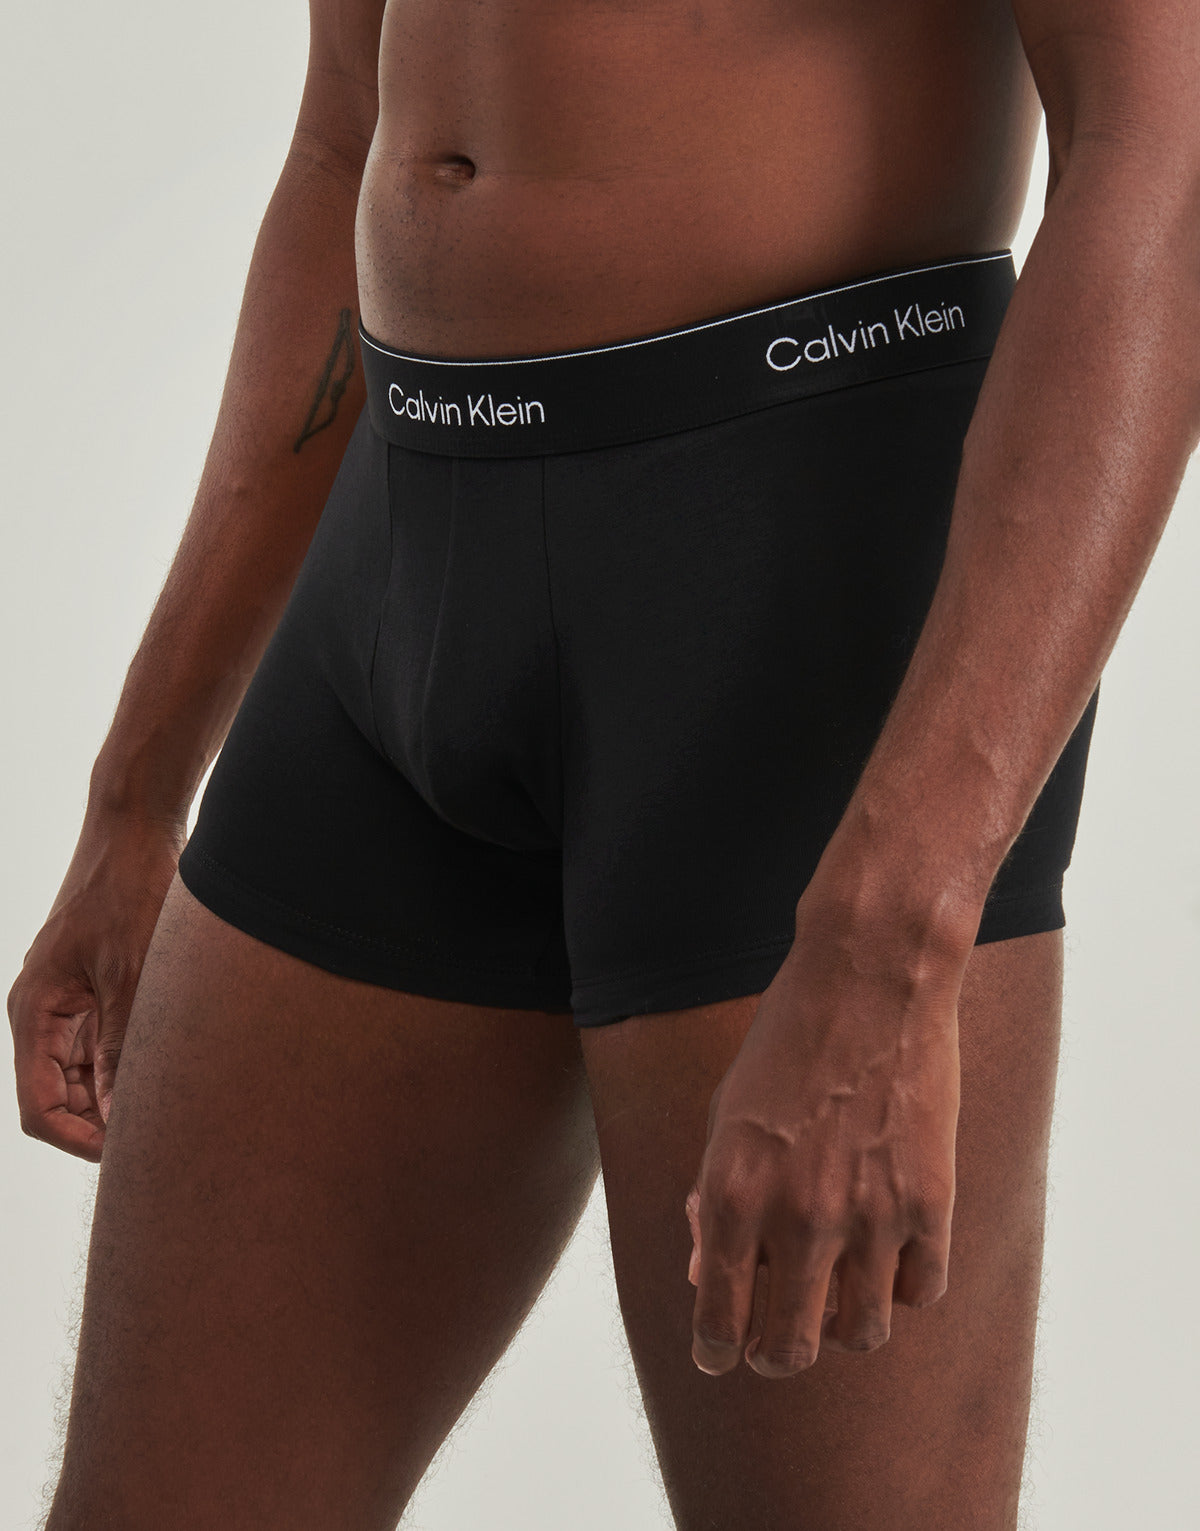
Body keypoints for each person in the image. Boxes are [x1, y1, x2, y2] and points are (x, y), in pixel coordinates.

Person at [7, 0, 1199, 1525]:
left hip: (800, 613)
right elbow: (342, 133)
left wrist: (891, 942)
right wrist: (135, 797)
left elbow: (1160, 155)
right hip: (400, 562)